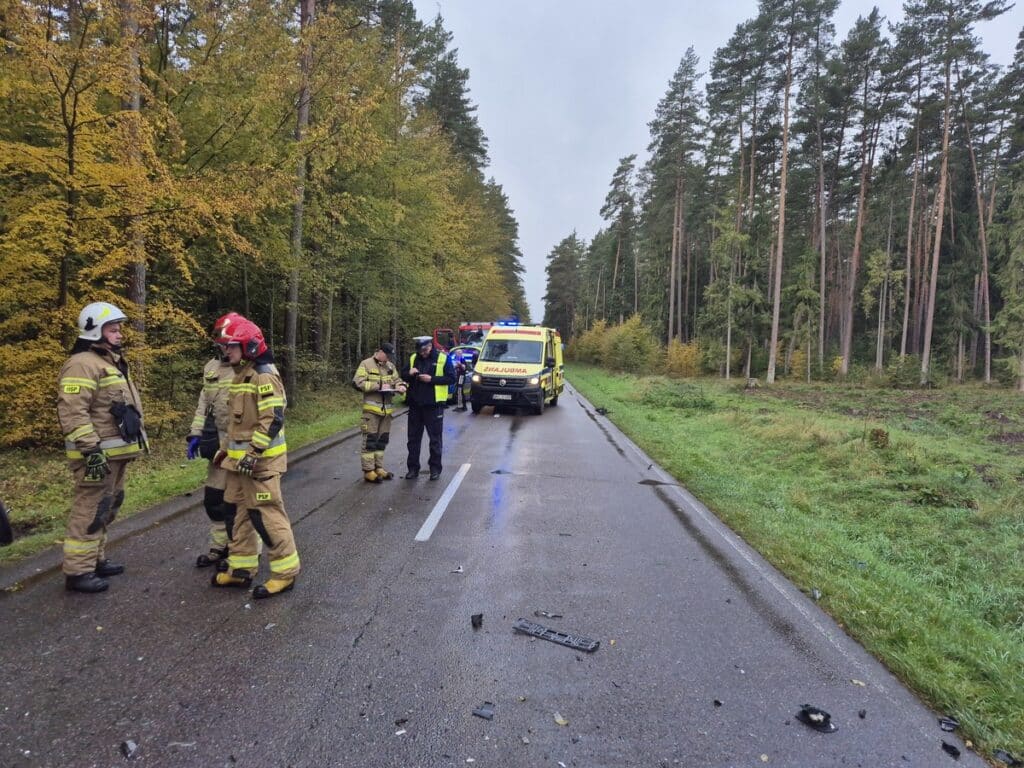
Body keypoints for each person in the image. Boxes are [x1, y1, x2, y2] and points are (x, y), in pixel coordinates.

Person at [57, 301, 147, 593]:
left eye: (119, 328)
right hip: (96, 456)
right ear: (95, 330)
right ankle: (78, 572)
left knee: (107, 506)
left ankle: (94, 559)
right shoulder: (82, 363)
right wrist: (91, 450)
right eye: (113, 328)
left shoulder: (109, 362)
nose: (120, 333)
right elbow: (73, 410)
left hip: (114, 455)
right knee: (90, 509)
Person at [210, 315, 299, 599]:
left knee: (266, 517)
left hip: (259, 464)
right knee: (236, 514)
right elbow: (239, 423)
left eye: (231, 346)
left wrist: (253, 453)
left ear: (248, 346)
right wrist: (227, 449)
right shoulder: (241, 373)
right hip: (239, 464)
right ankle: (241, 569)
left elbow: (272, 419)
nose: (227, 351)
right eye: (225, 346)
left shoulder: (263, 374)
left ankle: (285, 573)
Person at [186, 313, 239, 567]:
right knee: (213, 500)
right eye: (221, 342)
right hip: (216, 445)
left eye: (229, 343)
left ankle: (242, 550)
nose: (224, 348)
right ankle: (220, 547)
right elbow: (203, 404)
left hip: (240, 447)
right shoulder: (211, 368)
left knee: (238, 503)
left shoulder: (248, 370)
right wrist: (196, 433)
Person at [401, 336, 455, 481]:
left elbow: (451, 378)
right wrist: (409, 374)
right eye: (420, 350)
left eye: (424, 350)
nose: (422, 353)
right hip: (415, 405)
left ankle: (435, 469)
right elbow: (403, 375)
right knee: (413, 440)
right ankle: (413, 469)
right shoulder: (414, 358)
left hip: (434, 406)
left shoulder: (443, 358)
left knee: (435, 440)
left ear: (430, 346)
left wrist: (432, 379)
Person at [353, 342, 407, 483]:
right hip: (371, 412)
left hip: (386, 411)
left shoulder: (390, 366)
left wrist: (401, 386)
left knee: (382, 441)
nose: (388, 359)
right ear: (381, 352)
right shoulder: (366, 364)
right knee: (370, 441)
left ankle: (379, 468)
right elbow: (358, 383)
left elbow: (397, 380)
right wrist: (379, 386)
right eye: (387, 356)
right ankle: (368, 471)